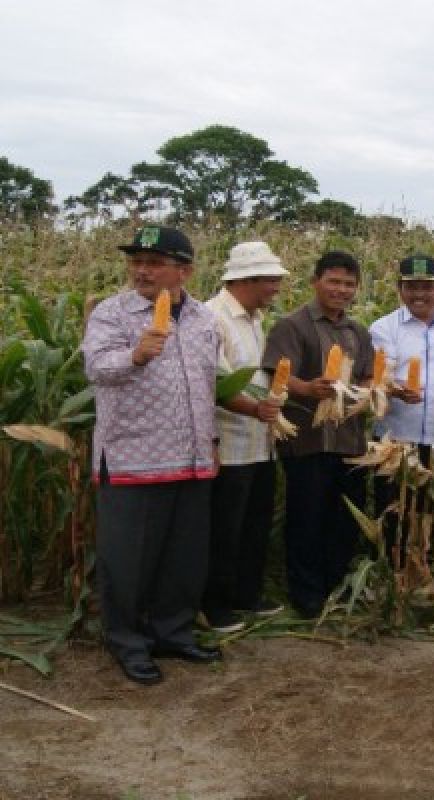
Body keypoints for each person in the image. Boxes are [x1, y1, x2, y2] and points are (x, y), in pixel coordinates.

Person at [83, 225, 222, 685]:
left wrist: (213, 444)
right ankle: (126, 640)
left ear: (183, 271)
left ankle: (173, 632)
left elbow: (207, 386)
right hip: (132, 456)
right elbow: (97, 370)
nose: (141, 270)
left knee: (184, 557)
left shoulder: (203, 319)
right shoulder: (113, 313)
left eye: (154, 262)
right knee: (127, 559)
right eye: (136, 262)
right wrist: (135, 355)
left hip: (192, 456)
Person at [263, 251, 374, 619]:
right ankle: (307, 595)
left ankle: (336, 587)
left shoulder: (358, 332)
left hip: (350, 442)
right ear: (315, 282)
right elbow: (278, 375)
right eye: (333, 281)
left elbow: (367, 376)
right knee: (307, 520)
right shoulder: (292, 326)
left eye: (348, 284)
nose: (341, 290)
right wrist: (308, 389)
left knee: (343, 522)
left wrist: (368, 391)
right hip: (308, 443)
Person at [202, 242, 289, 634]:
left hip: (259, 442)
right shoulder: (212, 318)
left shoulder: (254, 318)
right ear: (246, 279)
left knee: (255, 524)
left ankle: (247, 596)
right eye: (271, 280)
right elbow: (217, 382)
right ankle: (216, 606)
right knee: (224, 529)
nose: (276, 287)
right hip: (229, 443)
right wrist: (255, 409)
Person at [370, 254, 434, 563]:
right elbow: (377, 378)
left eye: (427, 287)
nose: (419, 294)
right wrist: (395, 390)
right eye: (411, 287)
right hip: (396, 440)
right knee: (394, 512)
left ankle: (430, 575)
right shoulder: (383, 328)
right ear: (400, 289)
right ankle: (393, 575)